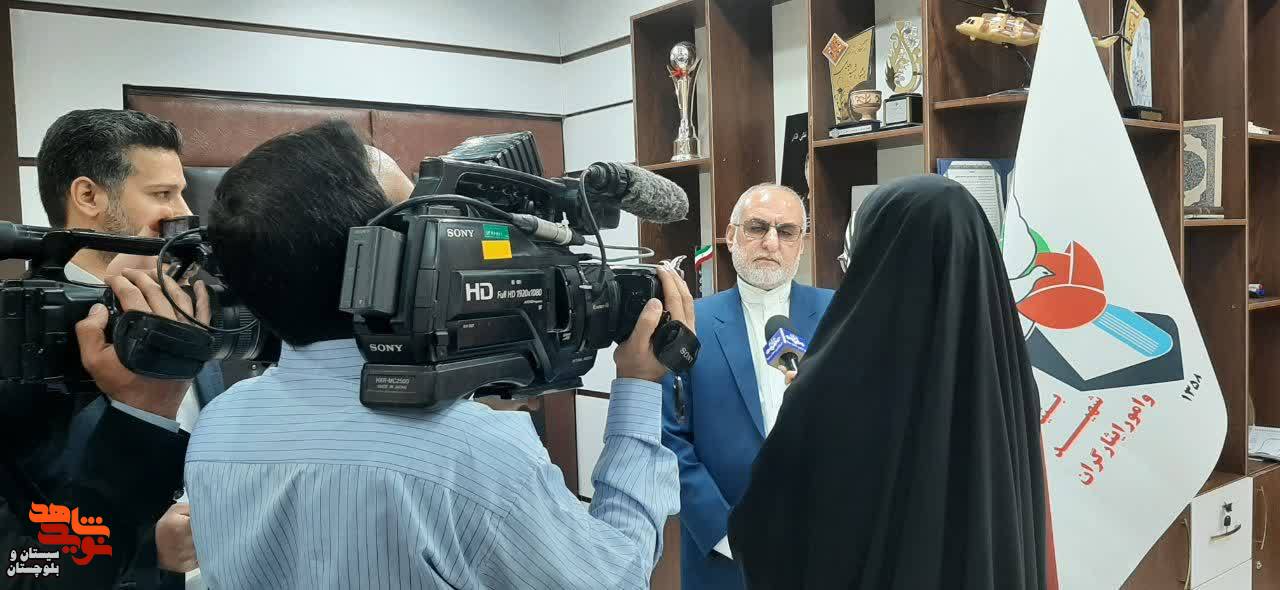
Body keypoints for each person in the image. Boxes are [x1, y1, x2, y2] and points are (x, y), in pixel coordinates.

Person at [184, 120, 685, 589]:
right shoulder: (471, 454)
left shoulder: (219, 425)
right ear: (382, 259)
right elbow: (618, 576)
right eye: (420, 218)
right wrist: (639, 388)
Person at [727, 175, 1056, 589]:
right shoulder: (1013, 379)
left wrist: (802, 409)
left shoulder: (830, 389)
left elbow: (766, 531)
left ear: (879, 259)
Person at [0, 109, 211, 589]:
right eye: (162, 194)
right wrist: (145, 549)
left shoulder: (193, 311)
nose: (182, 213)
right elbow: (20, 566)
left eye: (181, 193)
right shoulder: (16, 344)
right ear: (88, 196)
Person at [661, 183, 834, 589]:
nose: (771, 243)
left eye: (786, 231)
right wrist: (726, 536)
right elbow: (669, 439)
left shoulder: (839, 313)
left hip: (824, 547)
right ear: (731, 234)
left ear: (802, 244)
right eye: (757, 227)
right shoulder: (689, 322)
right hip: (723, 555)